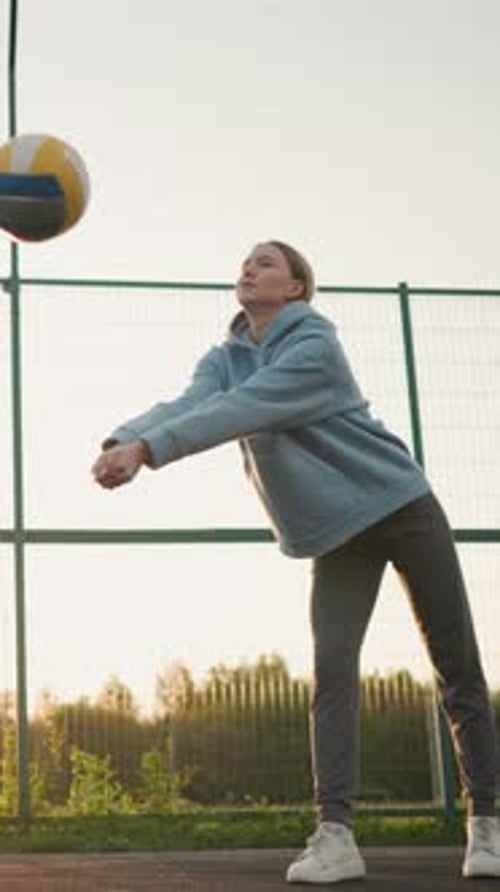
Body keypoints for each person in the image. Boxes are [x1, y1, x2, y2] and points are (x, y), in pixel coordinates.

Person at [92, 240, 499, 883]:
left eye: (267, 263)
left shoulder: (313, 348)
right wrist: (126, 438)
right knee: (333, 672)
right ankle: (336, 836)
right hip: (340, 531)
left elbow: (240, 410)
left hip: (401, 507)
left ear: (296, 290)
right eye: (246, 262)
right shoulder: (225, 358)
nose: (249, 268)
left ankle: (488, 825)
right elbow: (192, 402)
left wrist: (150, 449)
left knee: (458, 669)